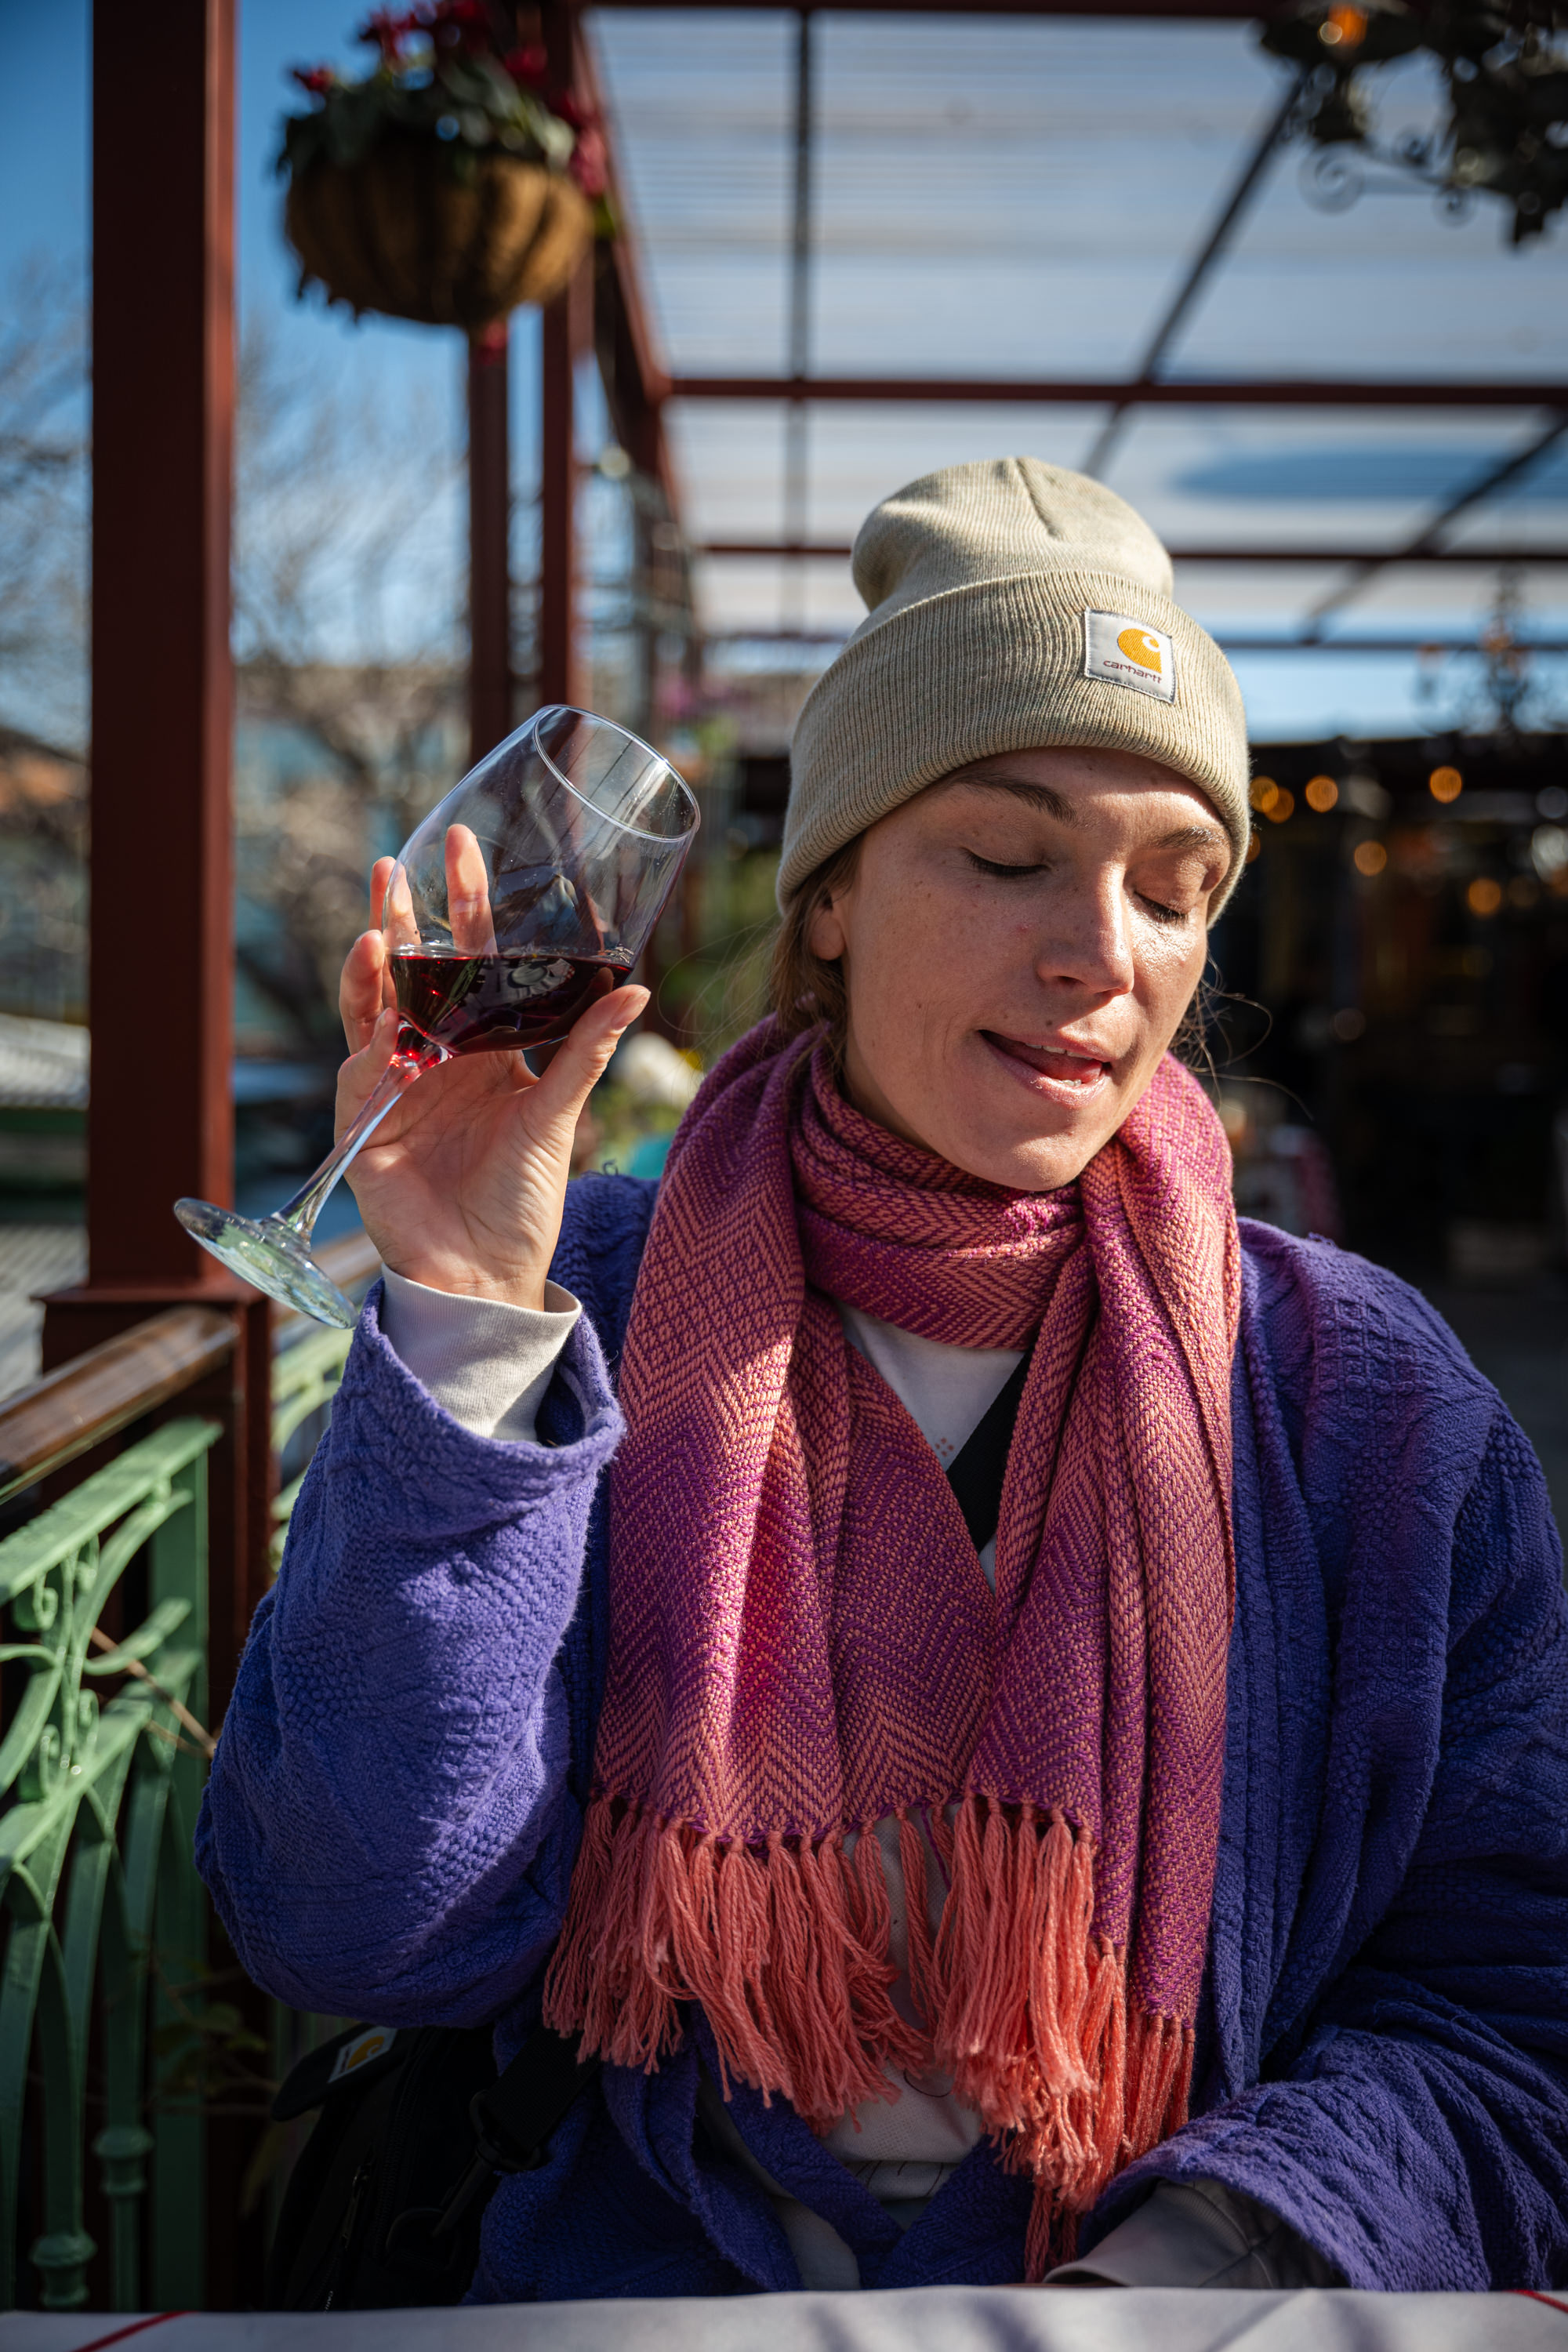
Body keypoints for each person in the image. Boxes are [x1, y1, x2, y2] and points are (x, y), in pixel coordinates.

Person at [198, 459, 1568, 2302]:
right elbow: (349, 1928)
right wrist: (453, 1306)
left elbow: (1512, 2003)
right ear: (828, 897)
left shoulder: (1365, 1410)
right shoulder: (580, 1294)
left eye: (1178, 891)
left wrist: (1173, 2272)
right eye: (1005, 858)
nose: (1101, 952)